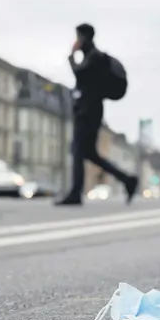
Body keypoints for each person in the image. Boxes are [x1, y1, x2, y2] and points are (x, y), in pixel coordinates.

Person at [55, 23, 138, 206]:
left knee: (78, 149)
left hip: (88, 110)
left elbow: (79, 75)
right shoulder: (93, 56)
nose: (76, 41)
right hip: (91, 109)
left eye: (78, 38)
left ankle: (76, 192)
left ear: (84, 37)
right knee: (90, 153)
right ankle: (127, 180)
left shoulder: (94, 57)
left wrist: (71, 56)